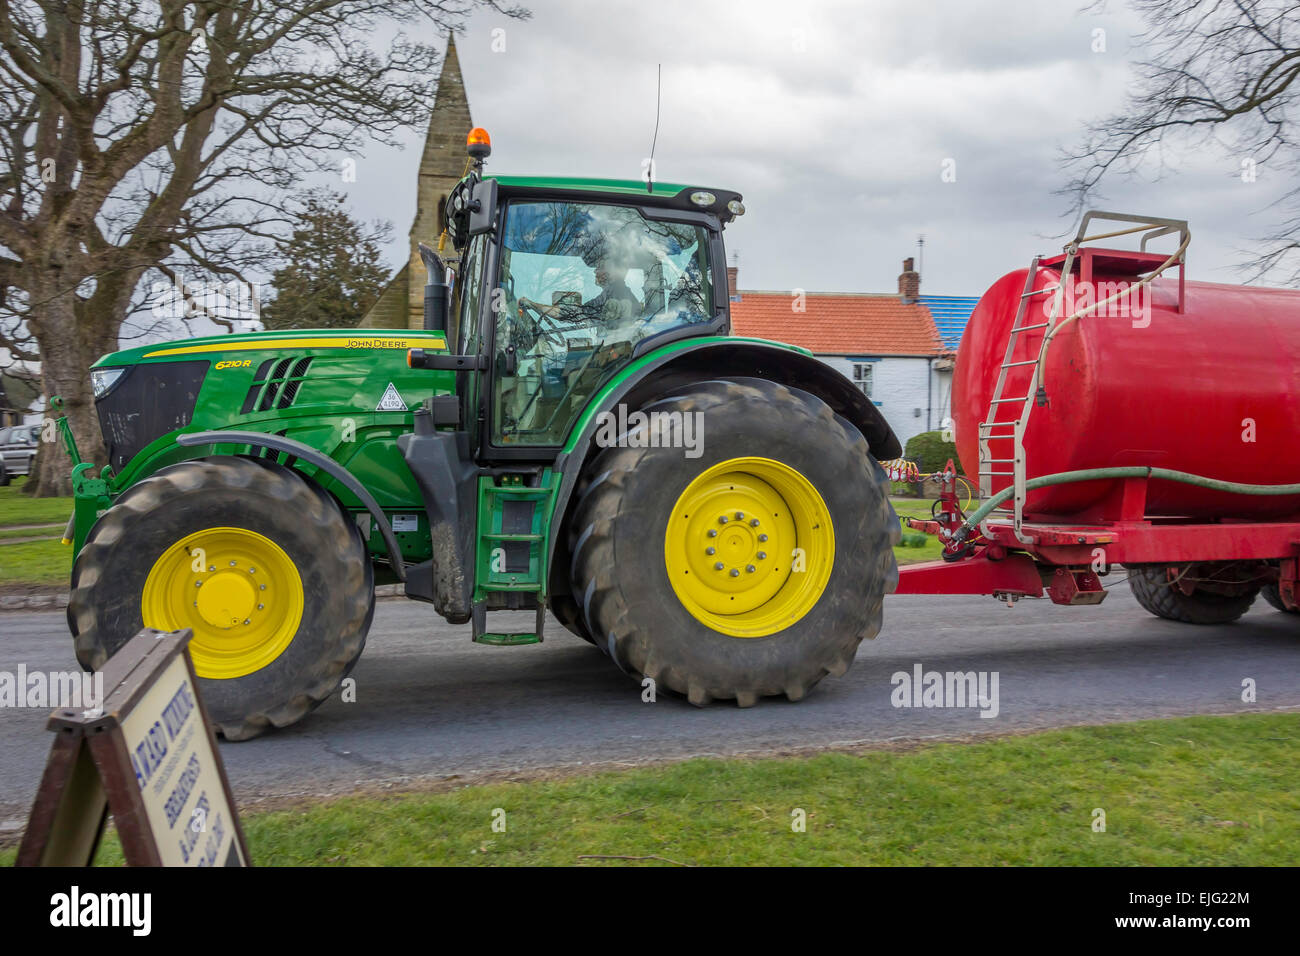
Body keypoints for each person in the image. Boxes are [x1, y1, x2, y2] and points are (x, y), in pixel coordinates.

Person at [519, 258, 643, 325]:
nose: (595, 271)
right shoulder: (610, 293)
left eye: (600, 267)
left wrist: (532, 304)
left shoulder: (617, 294)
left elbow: (571, 314)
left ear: (614, 272)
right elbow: (578, 313)